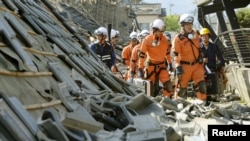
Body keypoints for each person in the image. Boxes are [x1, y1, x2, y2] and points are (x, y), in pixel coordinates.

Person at [172, 14, 207, 103]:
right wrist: (177, 66)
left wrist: (201, 56)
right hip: (184, 66)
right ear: (182, 25)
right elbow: (175, 53)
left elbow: (200, 47)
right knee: (182, 89)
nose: (189, 26)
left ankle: (202, 104)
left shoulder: (196, 34)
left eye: (191, 24)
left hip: (197, 65)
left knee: (201, 85)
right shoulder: (178, 38)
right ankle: (179, 106)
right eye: (187, 24)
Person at [138, 19, 173, 97]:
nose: (161, 34)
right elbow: (141, 55)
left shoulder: (164, 39)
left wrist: (170, 63)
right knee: (149, 88)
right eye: (159, 32)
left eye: (162, 32)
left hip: (161, 65)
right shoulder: (147, 40)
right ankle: (149, 103)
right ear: (154, 30)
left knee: (168, 86)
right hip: (150, 66)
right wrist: (140, 68)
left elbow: (167, 53)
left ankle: (167, 102)